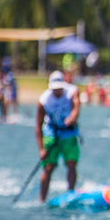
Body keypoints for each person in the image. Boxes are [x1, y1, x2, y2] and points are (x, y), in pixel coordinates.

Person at [36, 70, 82, 202]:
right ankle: (42, 200)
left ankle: (70, 194)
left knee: (71, 164)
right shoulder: (43, 100)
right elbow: (38, 127)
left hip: (68, 132)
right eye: (54, 89)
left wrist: (72, 118)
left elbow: (76, 106)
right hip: (52, 133)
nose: (57, 91)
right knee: (48, 167)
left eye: (59, 88)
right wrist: (42, 149)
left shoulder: (72, 92)